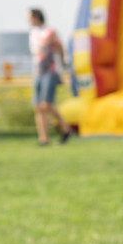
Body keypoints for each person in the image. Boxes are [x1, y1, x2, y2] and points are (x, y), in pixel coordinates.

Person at [27, 8, 72, 146]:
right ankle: (44, 139)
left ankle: (65, 128)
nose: (27, 20)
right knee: (38, 107)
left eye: (29, 17)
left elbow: (59, 47)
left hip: (50, 70)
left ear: (36, 17)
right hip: (37, 71)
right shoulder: (33, 33)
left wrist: (63, 63)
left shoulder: (50, 32)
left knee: (46, 104)